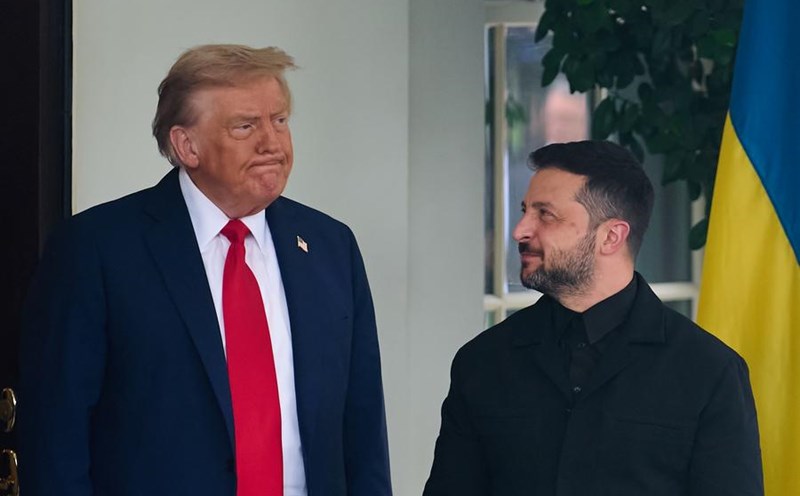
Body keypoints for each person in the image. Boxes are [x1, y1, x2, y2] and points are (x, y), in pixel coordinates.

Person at [18, 44, 391, 496]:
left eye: (280, 120)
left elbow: (364, 428)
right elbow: (57, 438)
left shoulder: (331, 246)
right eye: (245, 126)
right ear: (186, 145)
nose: (272, 143)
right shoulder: (97, 249)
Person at [424, 140, 763, 496]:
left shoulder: (710, 371)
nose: (520, 230)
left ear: (611, 236)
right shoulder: (482, 361)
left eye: (545, 215)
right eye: (525, 211)